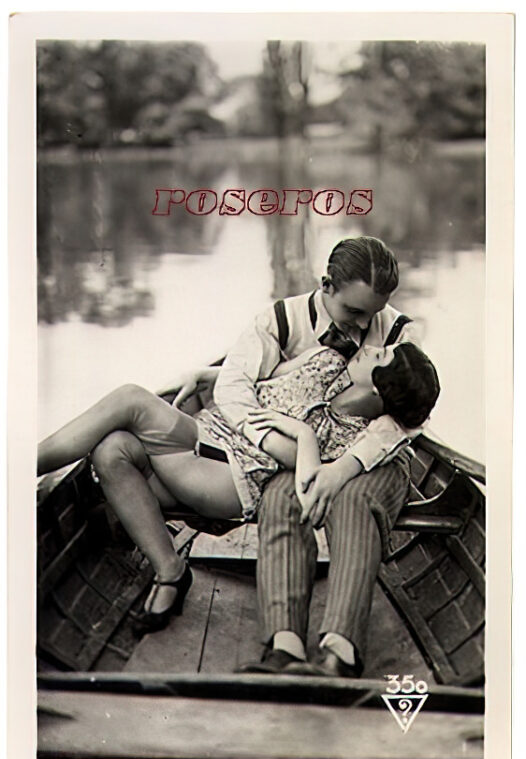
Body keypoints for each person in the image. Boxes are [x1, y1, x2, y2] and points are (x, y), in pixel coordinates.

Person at [37, 341, 438, 639]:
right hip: (207, 434)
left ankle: (22, 466)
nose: (370, 347)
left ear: (379, 390)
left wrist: (302, 436)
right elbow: (261, 380)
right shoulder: (328, 363)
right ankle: (170, 570)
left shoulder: (353, 435)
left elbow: (307, 483)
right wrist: (208, 375)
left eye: (381, 355)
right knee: (111, 451)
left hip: (230, 475)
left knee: (131, 399)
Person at [211, 235, 431, 676]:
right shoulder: (279, 320)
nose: (362, 326)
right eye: (353, 311)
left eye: (372, 314)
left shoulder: (399, 332)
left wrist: (341, 470)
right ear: (326, 285)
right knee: (281, 498)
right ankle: (285, 646)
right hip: (299, 448)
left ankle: (339, 653)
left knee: (353, 500)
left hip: (375, 455)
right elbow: (233, 389)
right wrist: (286, 449)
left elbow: (409, 420)